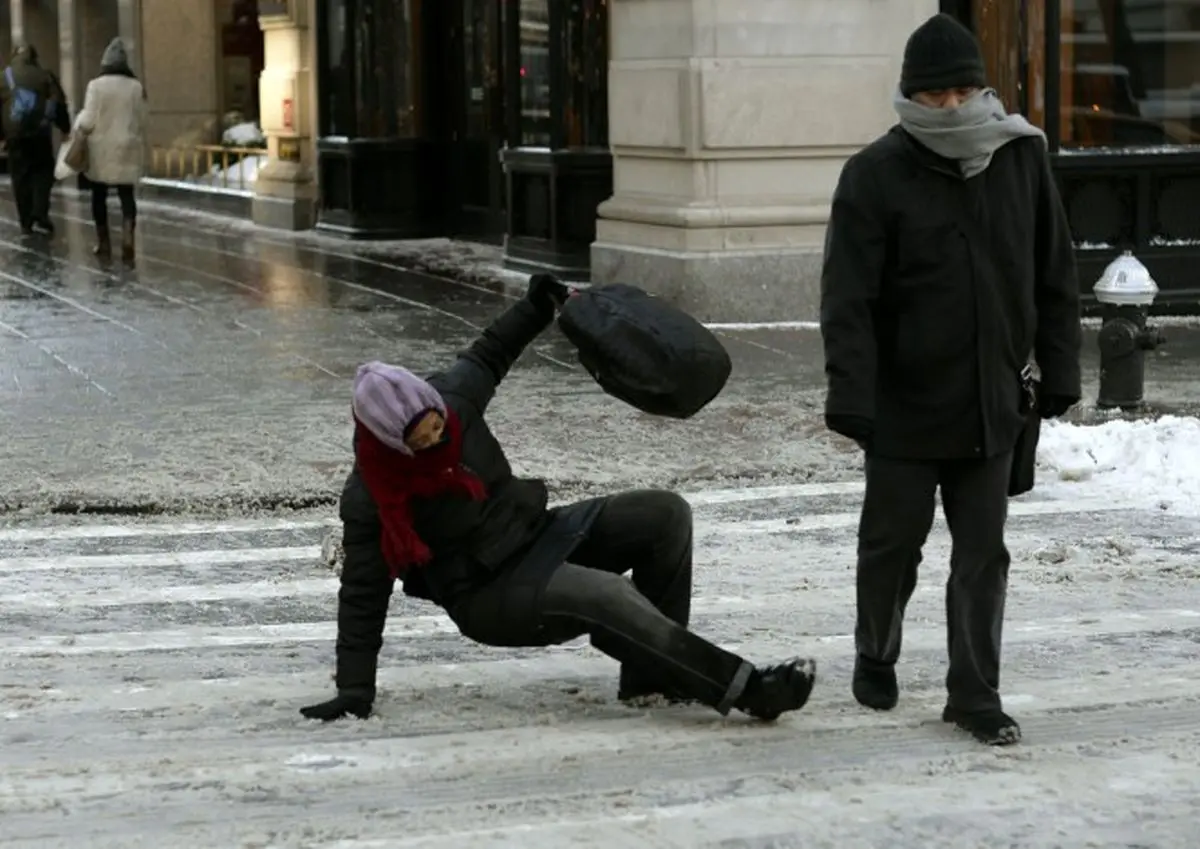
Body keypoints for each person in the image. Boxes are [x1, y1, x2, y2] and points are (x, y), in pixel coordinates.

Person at [300, 275, 818, 723]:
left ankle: (653, 678)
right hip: (487, 594)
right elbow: (363, 594)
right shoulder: (372, 495)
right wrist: (353, 691)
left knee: (664, 515)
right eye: (421, 438)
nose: (437, 439)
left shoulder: (453, 401)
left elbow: (490, 351)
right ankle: (747, 690)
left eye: (438, 425)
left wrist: (537, 305)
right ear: (390, 440)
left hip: (536, 534)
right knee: (605, 595)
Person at [819, 13, 1081, 746]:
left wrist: (1058, 369)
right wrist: (852, 394)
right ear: (910, 96)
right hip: (903, 407)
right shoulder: (873, 174)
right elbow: (848, 301)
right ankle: (876, 649)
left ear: (982, 88)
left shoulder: (1021, 157)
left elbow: (1053, 272)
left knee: (983, 557)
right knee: (891, 547)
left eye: (963, 90)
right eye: (935, 95)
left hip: (992, 401)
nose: (951, 107)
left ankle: (974, 694)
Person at [73, 38, 146, 261]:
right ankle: (127, 238)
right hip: (127, 146)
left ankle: (103, 242)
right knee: (127, 195)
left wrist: (78, 128)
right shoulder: (136, 87)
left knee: (98, 195)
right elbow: (143, 118)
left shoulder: (96, 86)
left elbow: (88, 119)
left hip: (100, 148)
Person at [1, 43, 64, 236]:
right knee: (43, 172)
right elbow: (59, 101)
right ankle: (40, 212)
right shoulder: (45, 75)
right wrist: (65, 128)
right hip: (40, 133)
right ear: (34, 58)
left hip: (15, 135)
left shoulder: (4, 77)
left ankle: (25, 221)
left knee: (20, 177)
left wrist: (2, 135)